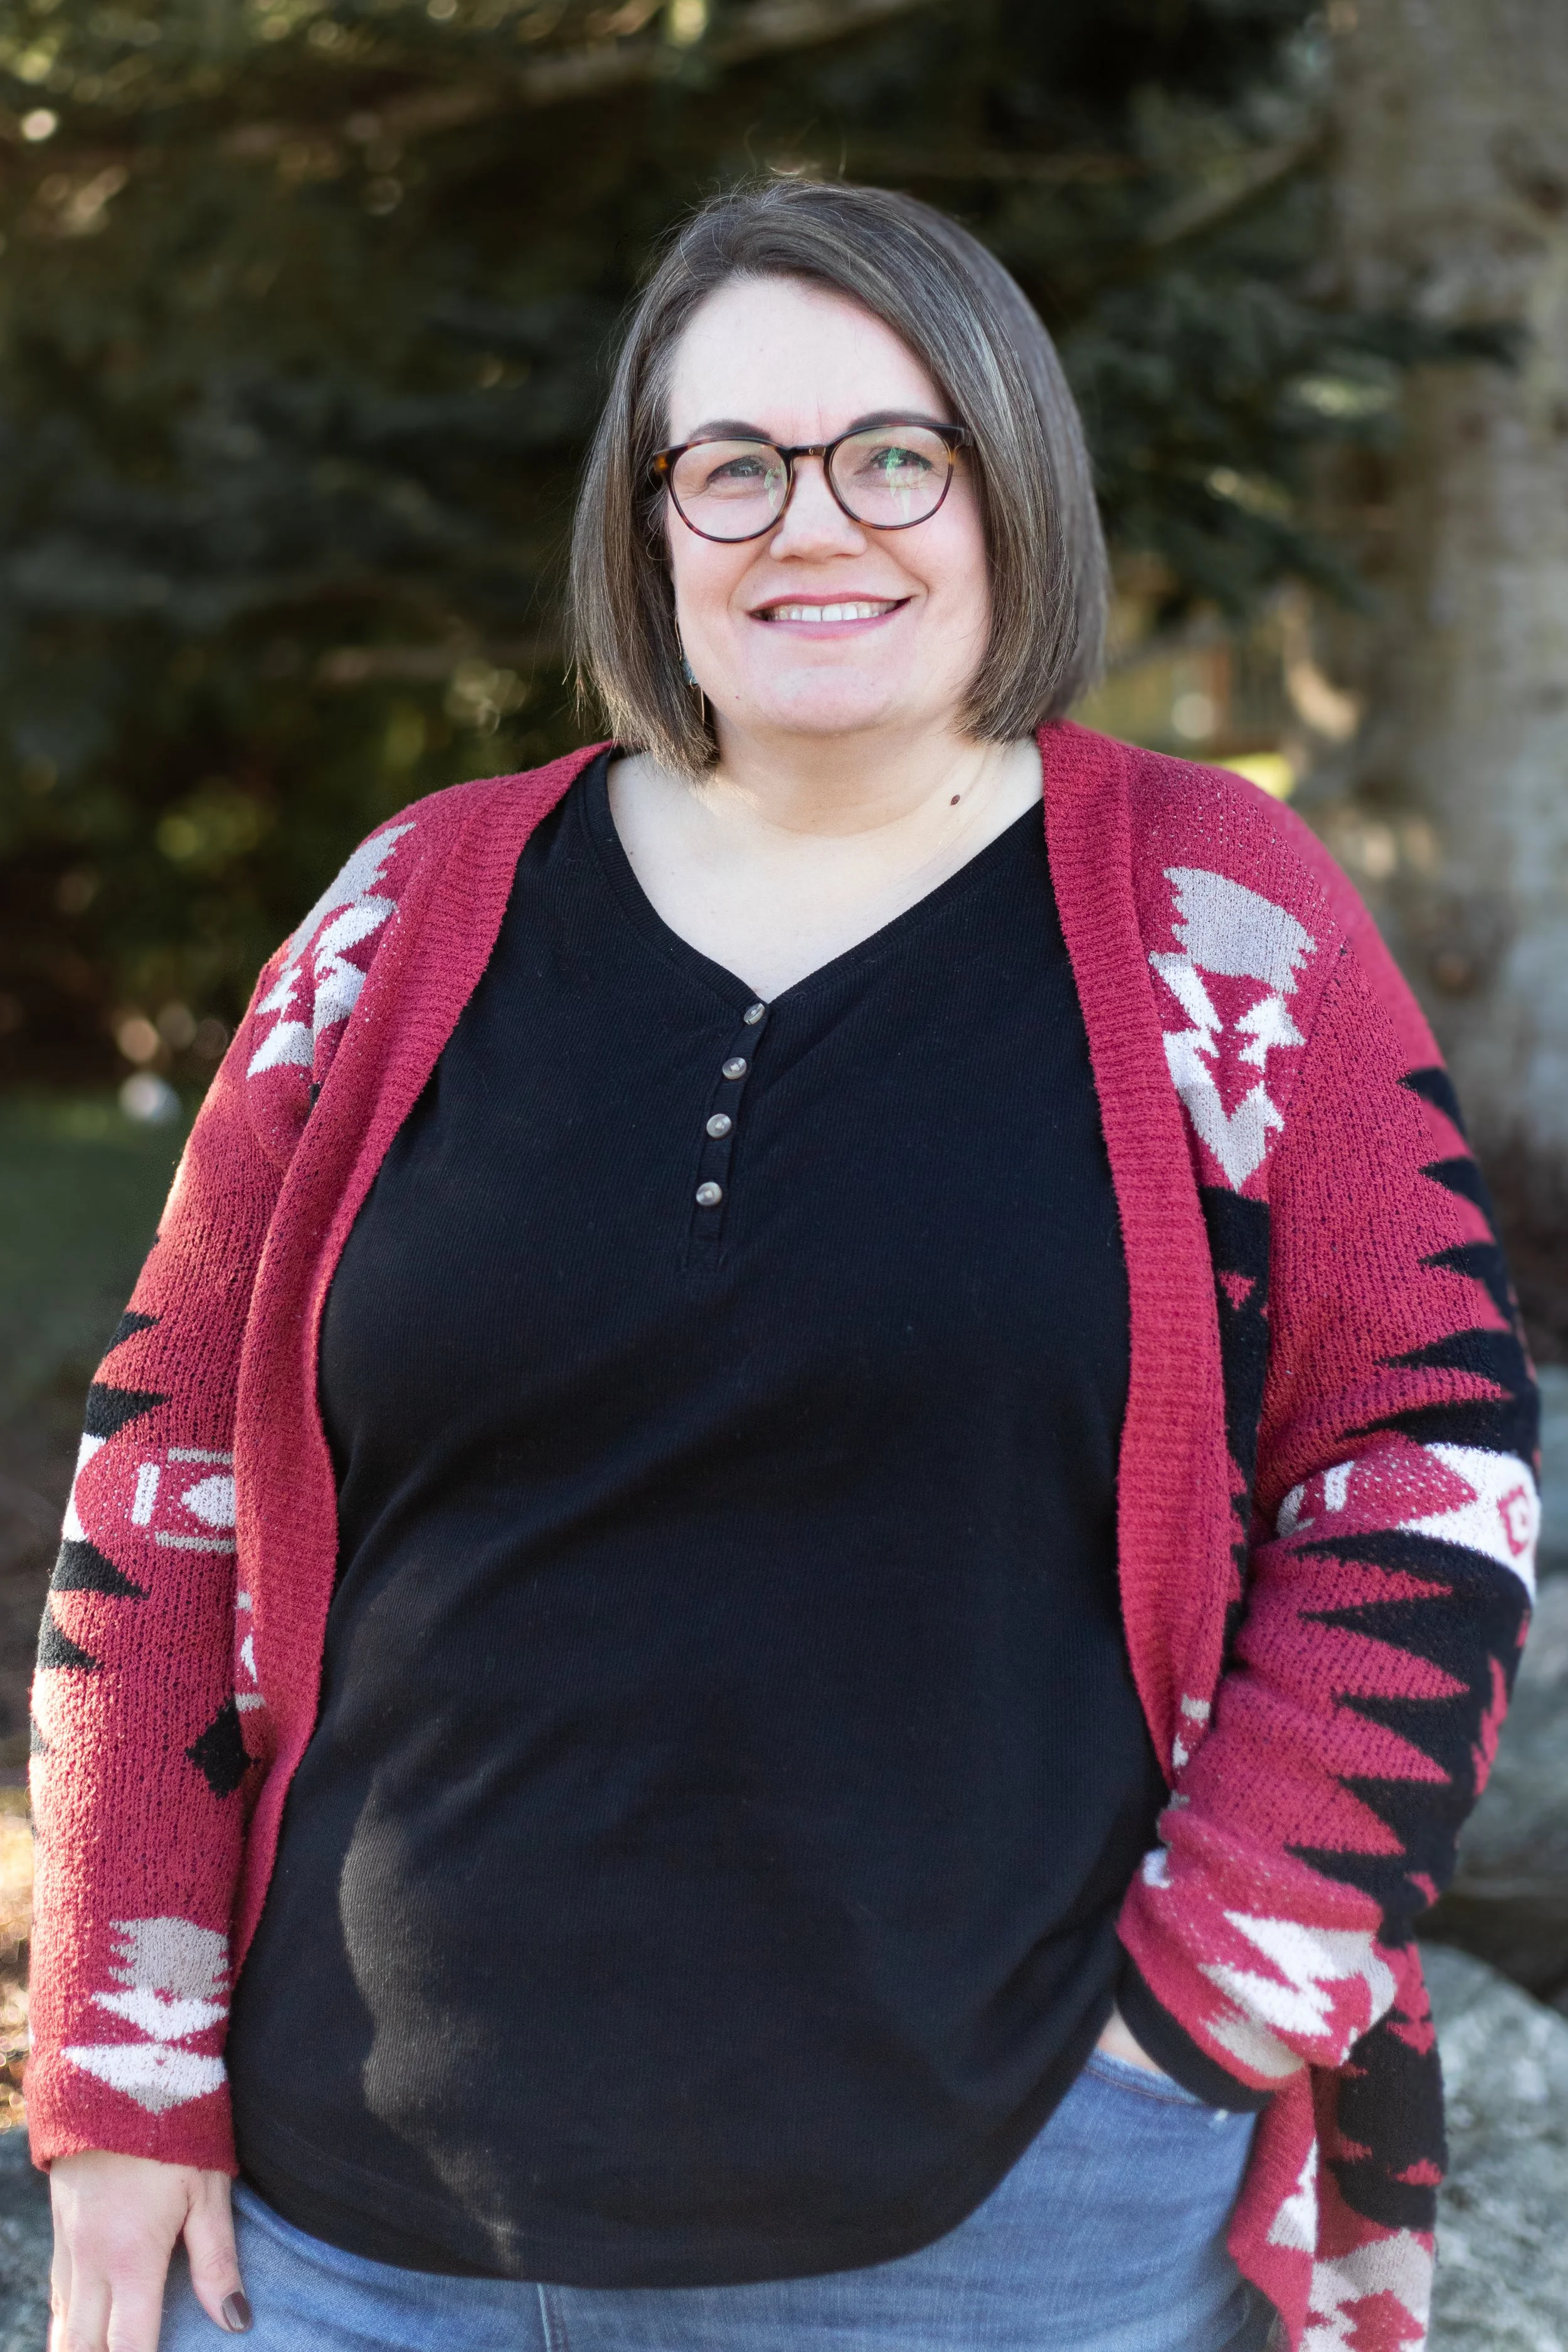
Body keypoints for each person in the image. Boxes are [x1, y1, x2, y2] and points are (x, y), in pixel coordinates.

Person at [32, 179, 1537, 2352]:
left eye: (891, 455)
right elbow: (155, 1490)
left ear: (1005, 484)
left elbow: (1421, 1461)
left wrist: (1201, 2018)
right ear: (645, 524)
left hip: (1011, 2230)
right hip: (350, 2243)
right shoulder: (413, 909)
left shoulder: (1214, 910)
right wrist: (123, 2064)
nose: (806, 523)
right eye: (728, 465)